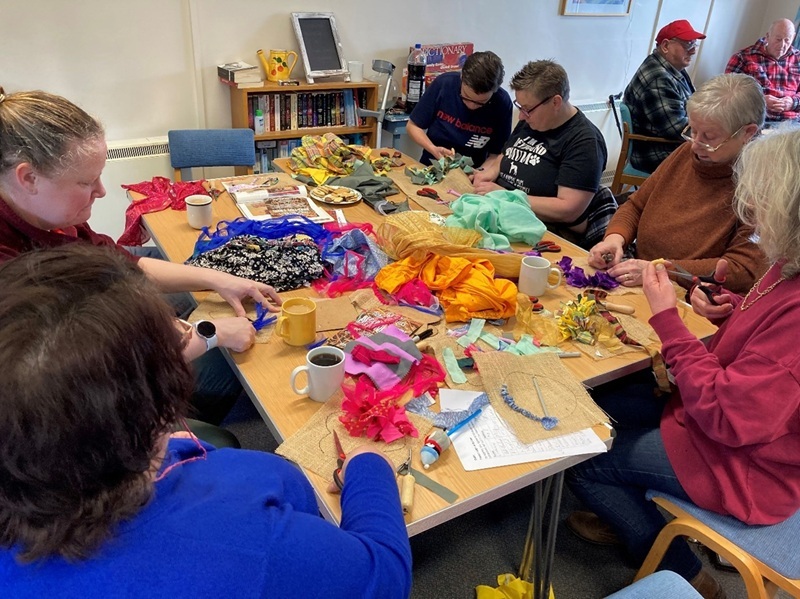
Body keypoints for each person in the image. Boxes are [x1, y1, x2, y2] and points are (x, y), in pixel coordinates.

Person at [0, 244, 412, 597]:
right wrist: (368, 466)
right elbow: (385, 575)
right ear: (160, 395)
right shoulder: (250, 511)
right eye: (180, 334)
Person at [566, 126, 800, 599]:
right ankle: (631, 514)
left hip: (748, 467)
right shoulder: (786, 265)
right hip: (718, 424)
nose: (749, 212)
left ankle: (685, 573)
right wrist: (731, 311)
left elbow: (728, 417)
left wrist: (669, 320)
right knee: (597, 406)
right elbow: (760, 347)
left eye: (759, 201)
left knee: (581, 459)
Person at [0, 87, 282, 425]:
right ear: (28, 177)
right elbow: (95, 365)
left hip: (88, 357)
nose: (101, 191)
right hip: (74, 408)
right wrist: (212, 335)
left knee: (194, 300)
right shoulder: (12, 272)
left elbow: (121, 263)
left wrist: (218, 279)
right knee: (230, 365)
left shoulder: (51, 221)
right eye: (86, 182)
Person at [588, 73, 767, 294]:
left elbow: (741, 270)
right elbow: (636, 205)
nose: (695, 145)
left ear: (748, 133)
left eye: (709, 137)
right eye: (693, 131)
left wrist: (661, 270)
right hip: (642, 271)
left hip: (691, 293)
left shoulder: (761, 185)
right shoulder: (688, 153)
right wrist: (615, 239)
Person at [472, 59, 613, 249]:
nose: (521, 116)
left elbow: (568, 209)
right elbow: (507, 154)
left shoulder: (585, 142)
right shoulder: (533, 120)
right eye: (520, 107)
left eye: (527, 109)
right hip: (500, 207)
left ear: (556, 102)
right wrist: (490, 172)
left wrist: (506, 196)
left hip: (542, 230)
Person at [624, 19, 706, 173]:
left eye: (694, 45)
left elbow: (696, 102)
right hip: (655, 153)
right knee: (720, 162)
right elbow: (677, 129)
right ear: (666, 46)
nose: (693, 51)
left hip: (665, 145)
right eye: (687, 45)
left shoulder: (671, 68)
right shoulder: (659, 79)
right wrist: (712, 134)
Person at [407, 50, 512, 167]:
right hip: (432, 164)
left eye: (481, 102)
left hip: (474, 170)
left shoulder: (502, 103)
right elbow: (413, 126)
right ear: (462, 76)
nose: (471, 106)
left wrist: (480, 173)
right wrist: (432, 148)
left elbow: (496, 154)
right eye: (466, 97)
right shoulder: (444, 84)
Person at [726, 18, 800, 125]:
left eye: (787, 40)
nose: (782, 45)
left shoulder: (798, 59)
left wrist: (793, 103)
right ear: (767, 36)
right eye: (778, 39)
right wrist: (759, 101)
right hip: (757, 121)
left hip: (792, 123)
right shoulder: (743, 57)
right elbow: (728, 94)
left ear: (793, 38)